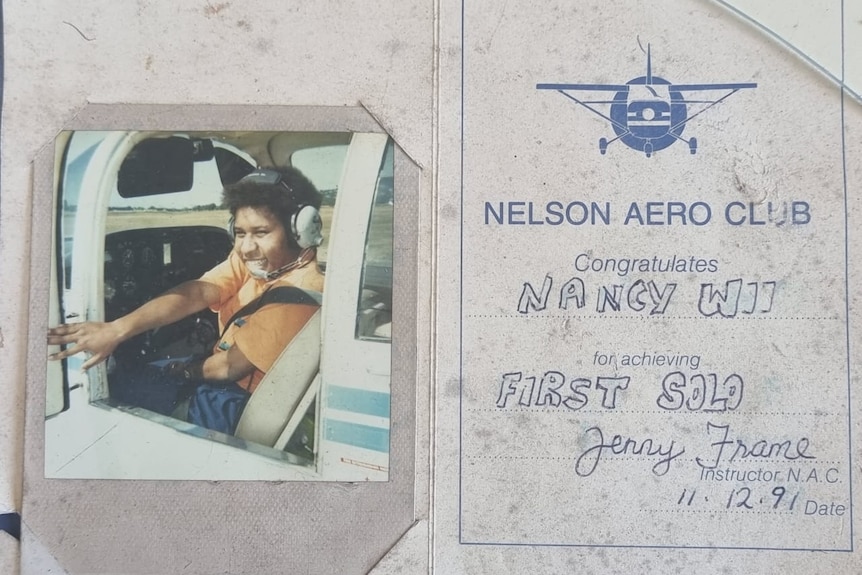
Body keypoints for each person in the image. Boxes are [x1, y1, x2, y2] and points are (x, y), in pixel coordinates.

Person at [47, 167, 325, 434]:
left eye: (261, 233)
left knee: (116, 385)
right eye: (240, 233)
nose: (246, 247)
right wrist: (117, 329)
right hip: (226, 379)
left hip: (234, 404)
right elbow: (200, 290)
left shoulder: (298, 294)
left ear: (298, 231)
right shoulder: (264, 264)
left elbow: (229, 367)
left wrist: (186, 371)